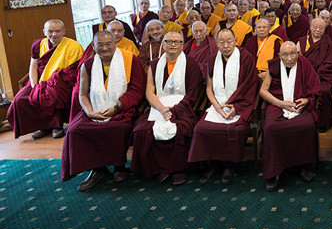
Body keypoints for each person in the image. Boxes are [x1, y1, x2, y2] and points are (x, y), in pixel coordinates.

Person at [61, 31, 147, 191]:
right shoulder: (88, 64)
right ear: (93, 46)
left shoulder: (129, 59)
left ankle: (119, 165)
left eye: (109, 44)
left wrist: (117, 107)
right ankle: (97, 169)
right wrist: (89, 112)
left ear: (115, 44)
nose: (105, 48)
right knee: (74, 130)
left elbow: (137, 89)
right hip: (94, 106)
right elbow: (82, 93)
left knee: (117, 128)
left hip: (122, 107)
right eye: (100, 44)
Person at [188, 29, 259, 186]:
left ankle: (229, 165)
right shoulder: (212, 59)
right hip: (217, 104)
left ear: (236, 40)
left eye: (229, 41)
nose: (226, 45)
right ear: (216, 42)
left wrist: (236, 107)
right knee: (201, 128)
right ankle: (213, 164)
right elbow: (209, 88)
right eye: (222, 42)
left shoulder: (245, 58)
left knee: (237, 129)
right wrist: (216, 106)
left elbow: (250, 86)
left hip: (239, 105)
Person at [130, 31, 202, 185]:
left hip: (183, 107)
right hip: (158, 106)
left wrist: (174, 110)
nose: (173, 45)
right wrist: (162, 108)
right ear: (163, 44)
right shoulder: (154, 64)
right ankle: (159, 168)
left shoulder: (191, 64)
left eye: (177, 42)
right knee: (142, 130)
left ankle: (178, 169)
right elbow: (149, 92)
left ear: (183, 45)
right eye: (169, 41)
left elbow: (192, 94)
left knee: (181, 128)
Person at [259, 42, 321, 191]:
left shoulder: (304, 64)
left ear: (298, 54)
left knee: (306, 125)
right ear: (279, 55)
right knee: (270, 127)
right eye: (285, 55)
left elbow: (314, 88)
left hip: (298, 104)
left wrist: (306, 100)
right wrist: (280, 103)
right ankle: (274, 171)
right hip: (277, 104)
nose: (289, 58)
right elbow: (263, 90)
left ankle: (303, 167)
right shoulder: (273, 65)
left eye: (293, 53)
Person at [7, 20, 83, 140]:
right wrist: (34, 85)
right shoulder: (38, 44)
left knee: (52, 94)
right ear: (44, 31)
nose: (54, 34)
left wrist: (54, 80)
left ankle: (57, 126)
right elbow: (33, 66)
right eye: (50, 31)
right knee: (19, 99)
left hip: (61, 80)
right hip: (39, 79)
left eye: (58, 31)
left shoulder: (74, 46)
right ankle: (42, 126)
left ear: (64, 31)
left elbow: (73, 72)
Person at [297, 18, 332, 132]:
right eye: (315, 27)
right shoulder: (302, 42)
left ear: (325, 29)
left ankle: (324, 122)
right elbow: (296, 61)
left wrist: (318, 74)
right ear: (310, 28)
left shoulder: (329, 44)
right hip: (304, 76)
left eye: (321, 27)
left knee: (324, 91)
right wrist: (309, 74)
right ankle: (301, 119)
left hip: (323, 77)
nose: (317, 29)